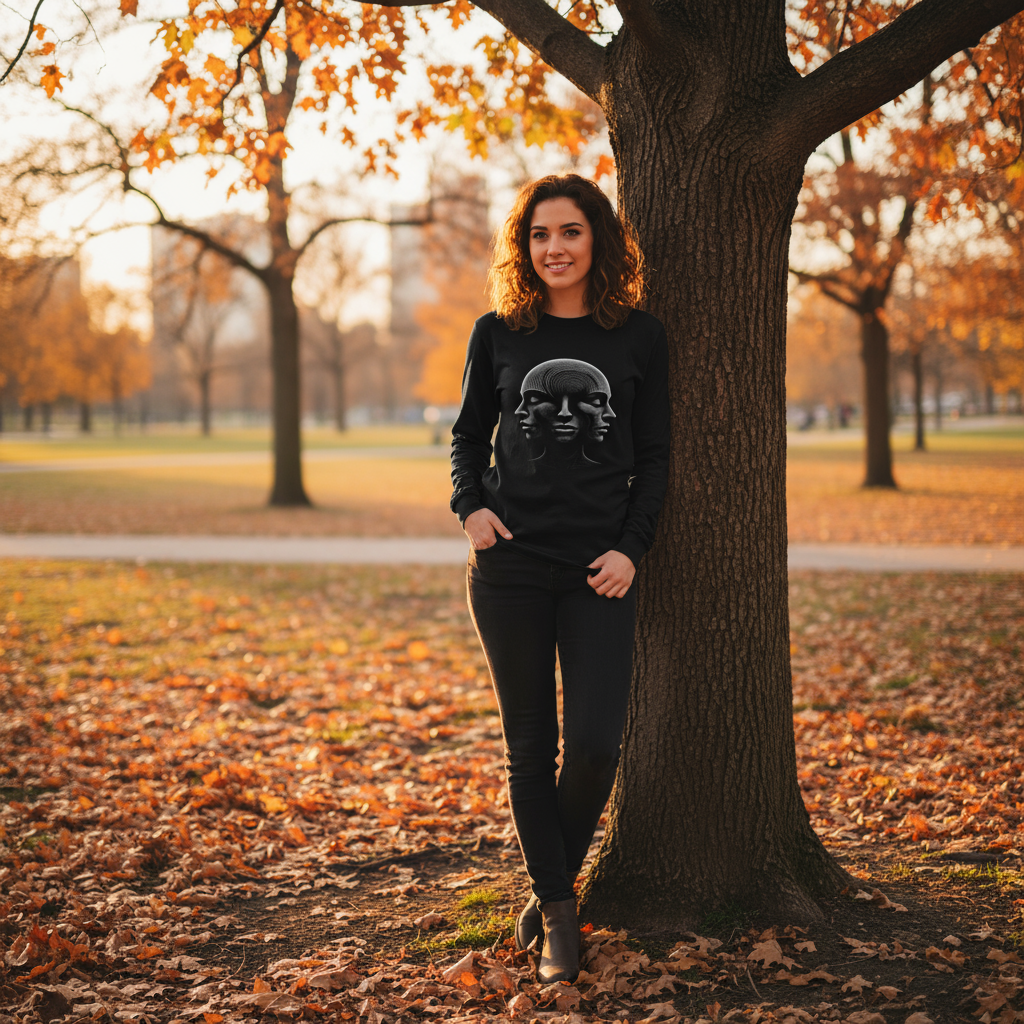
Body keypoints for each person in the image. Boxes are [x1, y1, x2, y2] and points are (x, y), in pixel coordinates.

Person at [449, 174, 670, 983]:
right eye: (540, 235)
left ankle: (548, 894)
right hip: (508, 568)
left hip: (598, 574)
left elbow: (654, 456)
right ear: (524, 247)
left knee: (597, 748)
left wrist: (631, 549)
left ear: (597, 240)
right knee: (530, 750)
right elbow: (467, 436)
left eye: (570, 232)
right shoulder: (497, 332)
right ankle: (560, 919)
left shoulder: (639, 337)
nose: (555, 248)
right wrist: (470, 508)